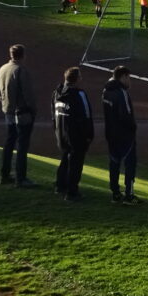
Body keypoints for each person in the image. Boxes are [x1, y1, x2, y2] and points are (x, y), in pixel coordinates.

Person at [0, 44, 38, 188]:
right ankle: (21, 178)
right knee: (22, 145)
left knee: (9, 143)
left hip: (8, 111)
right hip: (22, 112)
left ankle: (4, 175)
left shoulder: (3, 68)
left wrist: (5, 105)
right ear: (23, 55)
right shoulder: (21, 70)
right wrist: (33, 110)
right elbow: (28, 94)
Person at [52, 66, 94, 202]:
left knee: (65, 159)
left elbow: (53, 115)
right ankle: (72, 192)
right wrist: (89, 135)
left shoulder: (56, 93)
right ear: (77, 79)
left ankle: (59, 185)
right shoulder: (79, 94)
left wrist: (57, 130)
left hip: (61, 133)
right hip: (76, 135)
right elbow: (87, 116)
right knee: (76, 163)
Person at [101, 65, 139, 203]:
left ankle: (115, 193)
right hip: (125, 135)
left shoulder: (106, 91)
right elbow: (126, 115)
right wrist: (133, 128)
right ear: (123, 77)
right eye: (129, 78)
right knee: (130, 164)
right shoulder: (121, 92)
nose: (130, 81)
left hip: (110, 134)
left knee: (114, 163)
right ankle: (129, 195)